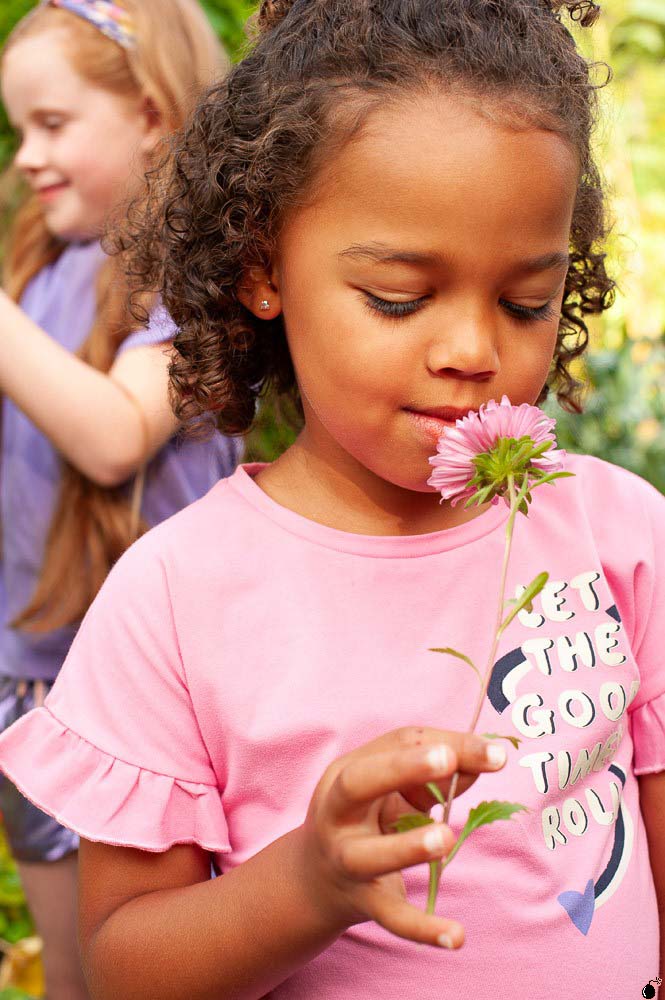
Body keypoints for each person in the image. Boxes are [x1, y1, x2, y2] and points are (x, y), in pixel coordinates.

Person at [0, 0, 664, 996]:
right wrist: (306, 885)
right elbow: (128, 963)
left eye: (525, 300)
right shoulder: (175, 601)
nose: (473, 352)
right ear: (265, 266)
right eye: (398, 297)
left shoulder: (613, 528)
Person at [0, 1, 240, 998]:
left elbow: (110, 438)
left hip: (143, 712)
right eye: (19, 130)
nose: (24, 156)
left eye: (51, 125)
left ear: (150, 113)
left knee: (143, 970)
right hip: (28, 683)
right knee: (73, 977)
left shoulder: (191, 286)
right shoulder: (43, 269)